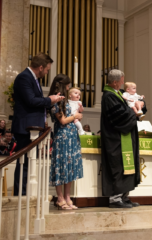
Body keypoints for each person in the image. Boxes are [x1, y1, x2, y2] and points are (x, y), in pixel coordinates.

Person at [12, 52, 64, 196]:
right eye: (47, 69)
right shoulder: (24, 77)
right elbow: (30, 101)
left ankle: (26, 193)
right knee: (24, 163)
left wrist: (50, 104)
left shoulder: (34, 79)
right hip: (25, 127)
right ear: (40, 67)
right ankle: (20, 195)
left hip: (33, 127)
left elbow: (35, 102)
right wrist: (50, 100)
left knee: (29, 163)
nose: (47, 72)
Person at [101, 69, 141, 208]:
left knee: (126, 167)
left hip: (123, 136)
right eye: (122, 81)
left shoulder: (117, 94)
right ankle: (115, 199)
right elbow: (119, 116)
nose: (123, 83)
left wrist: (139, 106)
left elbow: (125, 111)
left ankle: (124, 196)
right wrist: (133, 112)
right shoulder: (108, 96)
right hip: (115, 138)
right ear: (115, 82)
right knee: (118, 166)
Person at [48, 74, 84, 210]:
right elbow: (62, 120)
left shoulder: (67, 102)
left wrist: (77, 115)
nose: (69, 88)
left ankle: (68, 197)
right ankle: (60, 198)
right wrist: (75, 116)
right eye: (68, 85)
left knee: (70, 167)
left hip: (72, 136)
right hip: (62, 137)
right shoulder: (56, 101)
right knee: (61, 166)